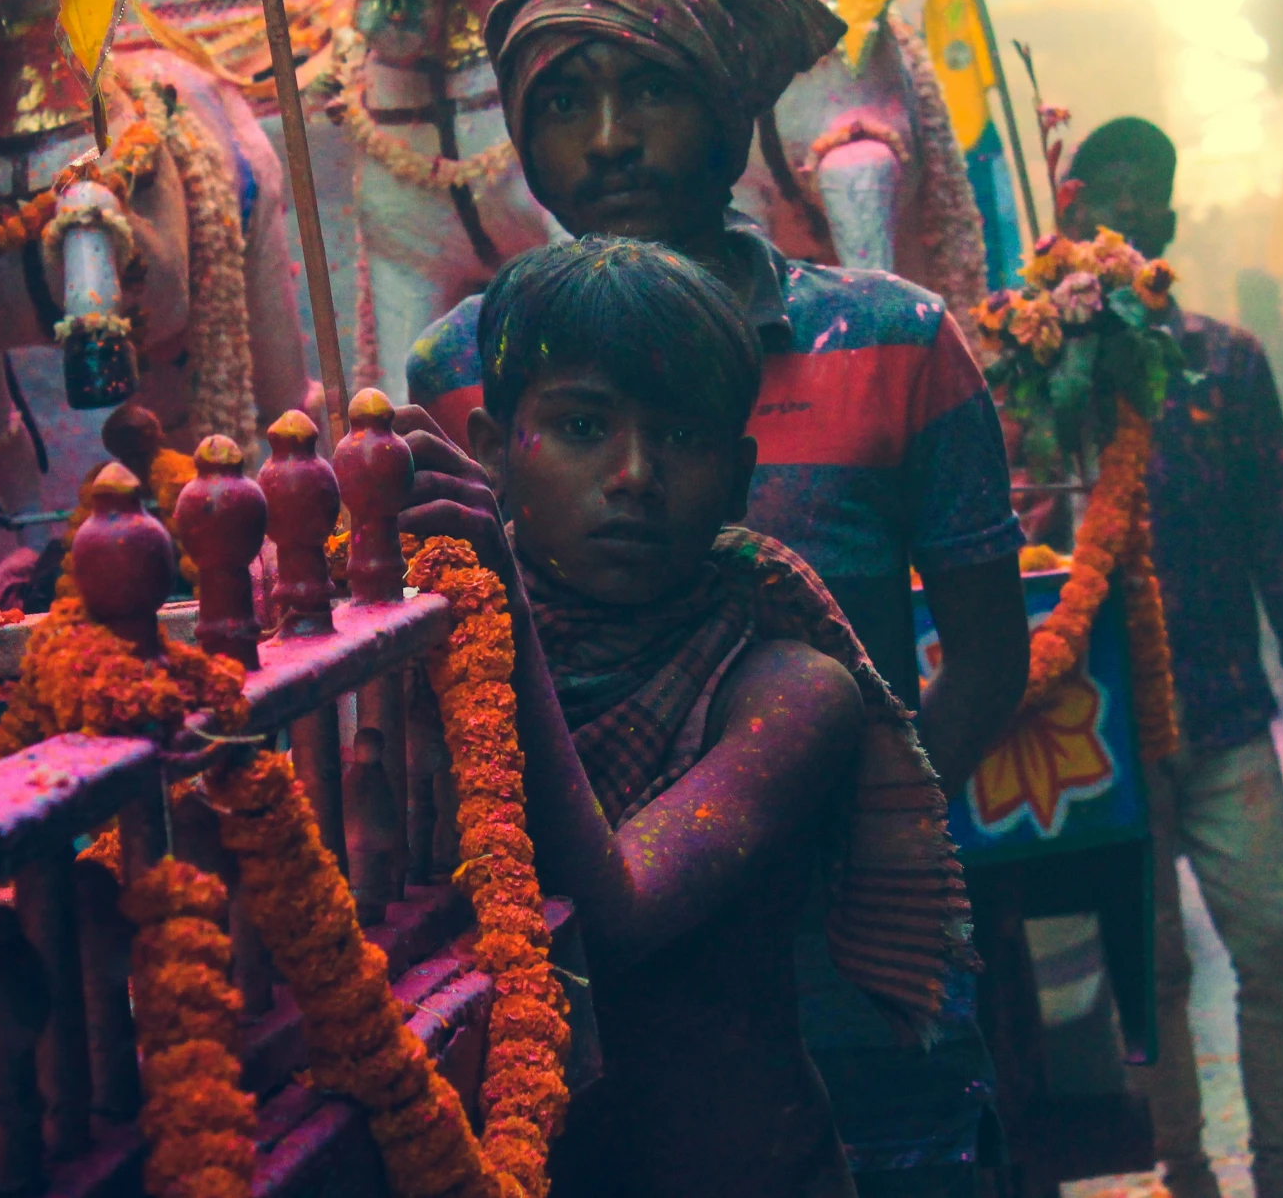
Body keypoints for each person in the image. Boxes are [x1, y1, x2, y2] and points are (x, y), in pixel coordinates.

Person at [405, 0, 1028, 1188]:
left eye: (652, 89)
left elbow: (982, 652)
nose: (609, 140)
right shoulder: (463, 363)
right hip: (562, 990)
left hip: (840, 970)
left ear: (735, 102)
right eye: (562, 102)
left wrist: (860, 828)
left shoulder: (895, 336)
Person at [393, 236, 973, 1198]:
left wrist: (503, 619)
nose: (634, 474)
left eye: (681, 437)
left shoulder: (789, 685)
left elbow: (611, 917)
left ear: (740, 474)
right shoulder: (425, 648)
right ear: (494, 452)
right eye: (583, 426)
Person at [1058, 117, 1283, 1198]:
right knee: (1156, 967)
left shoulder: (1226, 358)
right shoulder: (1041, 357)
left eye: (1147, 198)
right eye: (1106, 197)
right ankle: (1185, 1171)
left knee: (1273, 947)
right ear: (1075, 215)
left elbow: (1280, 523)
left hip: (1224, 711)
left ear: (1169, 221)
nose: (1127, 215)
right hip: (1105, 727)